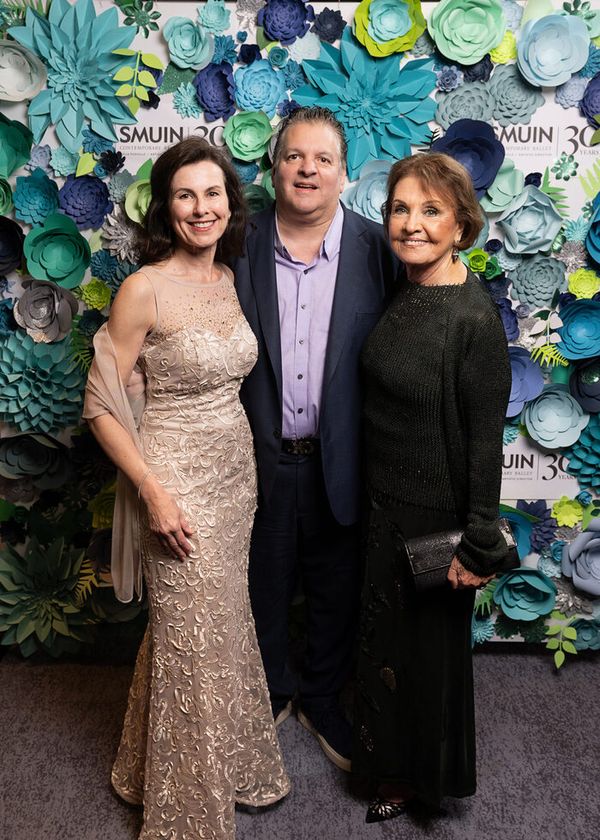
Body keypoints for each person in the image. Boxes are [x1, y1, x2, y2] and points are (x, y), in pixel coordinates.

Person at [83, 137, 289, 840]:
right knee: (187, 633)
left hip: (236, 477)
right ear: (166, 210)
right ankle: (187, 811)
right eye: (184, 195)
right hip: (172, 477)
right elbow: (102, 405)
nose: (201, 208)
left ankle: (189, 767)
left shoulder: (231, 278)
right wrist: (151, 491)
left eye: (212, 193)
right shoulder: (143, 287)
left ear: (230, 204)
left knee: (218, 626)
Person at [234, 106, 397, 771]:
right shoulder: (235, 241)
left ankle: (324, 695)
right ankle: (272, 689)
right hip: (255, 458)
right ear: (273, 168)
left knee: (337, 586)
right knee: (260, 582)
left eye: (322, 159)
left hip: (342, 459)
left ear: (344, 173)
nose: (307, 169)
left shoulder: (379, 248)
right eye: (294, 156)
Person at [353, 153, 511, 822]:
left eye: (430, 210)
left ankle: (420, 781)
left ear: (461, 224)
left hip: (434, 517)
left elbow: (483, 441)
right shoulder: (407, 289)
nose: (411, 223)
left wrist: (476, 546)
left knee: (428, 662)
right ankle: (388, 767)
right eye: (399, 208)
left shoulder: (472, 319)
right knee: (386, 649)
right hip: (382, 503)